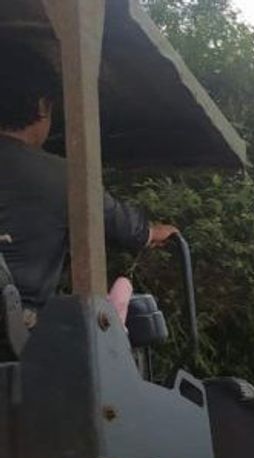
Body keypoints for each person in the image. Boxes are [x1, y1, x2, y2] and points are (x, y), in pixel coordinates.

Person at [0, 43, 179, 320]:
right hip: (19, 336)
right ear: (43, 106)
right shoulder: (61, 176)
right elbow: (116, 221)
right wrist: (150, 232)